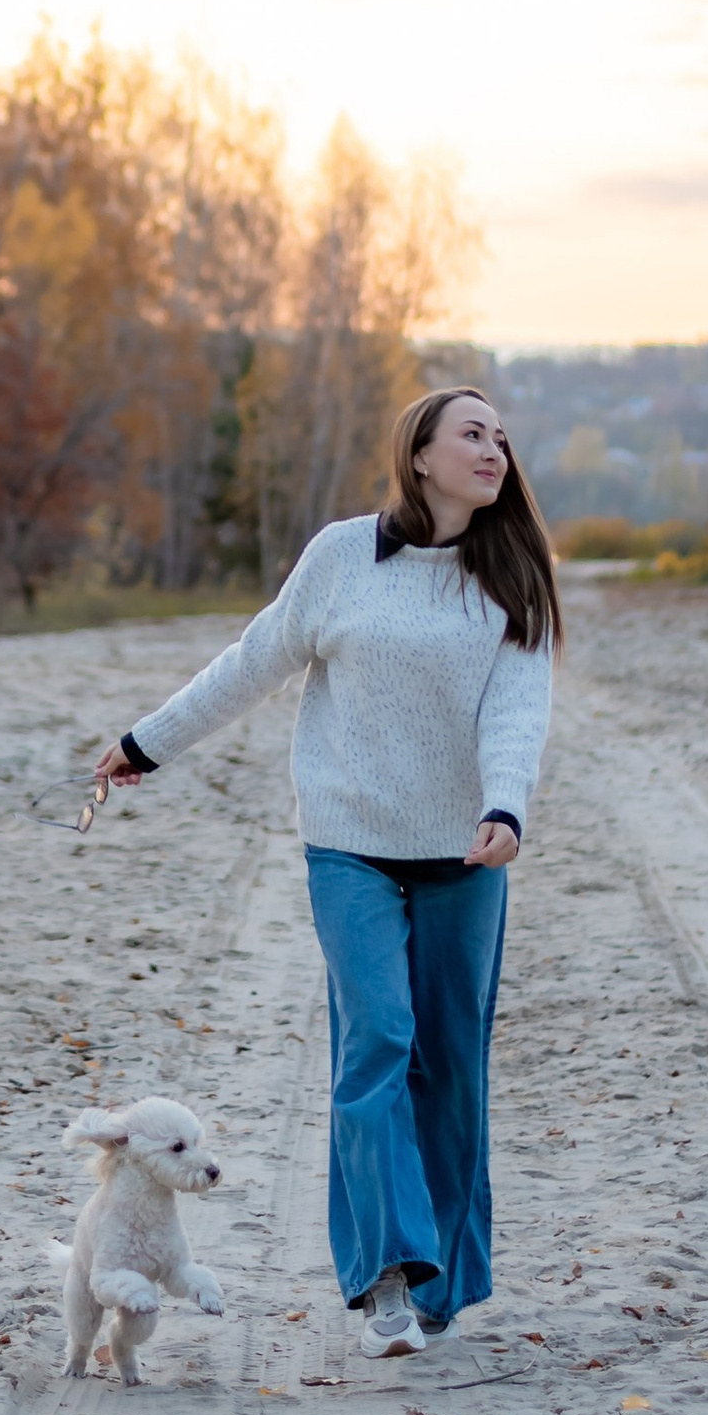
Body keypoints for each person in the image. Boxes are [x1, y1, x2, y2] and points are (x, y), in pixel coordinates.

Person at [94, 388, 561, 1360]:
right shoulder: (346, 557)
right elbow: (254, 658)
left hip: (464, 852)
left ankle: (445, 1270)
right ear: (419, 453)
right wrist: (149, 741)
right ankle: (386, 1275)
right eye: (472, 433)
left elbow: (517, 709)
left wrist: (506, 806)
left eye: (502, 439)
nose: (494, 450)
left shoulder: (510, 575)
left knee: (451, 1068)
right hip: (349, 844)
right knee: (379, 1040)